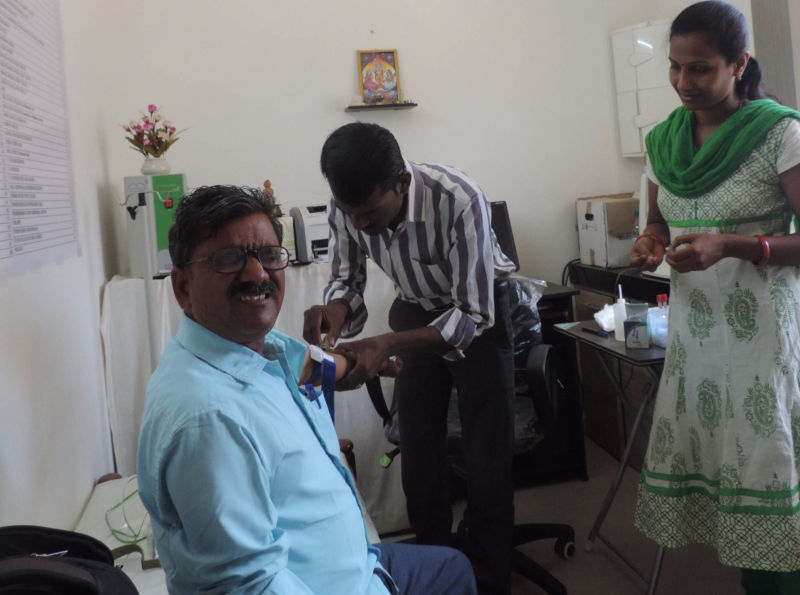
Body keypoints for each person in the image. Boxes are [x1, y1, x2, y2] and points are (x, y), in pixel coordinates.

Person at [136, 184, 477, 595]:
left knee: (452, 567)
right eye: (228, 260)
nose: (257, 274)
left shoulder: (259, 349)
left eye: (267, 255)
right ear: (183, 288)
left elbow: (319, 367)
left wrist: (366, 359)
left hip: (357, 562)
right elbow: (253, 585)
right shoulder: (209, 419)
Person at [629, 2, 800, 592]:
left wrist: (731, 245)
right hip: (697, 340)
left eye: (700, 68)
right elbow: (657, 220)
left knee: (766, 464)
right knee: (721, 465)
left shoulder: (779, 134)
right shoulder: (664, 143)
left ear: (738, 64)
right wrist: (651, 242)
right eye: (675, 67)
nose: (684, 82)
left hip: (763, 339)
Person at [304, 123, 517, 594]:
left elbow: (473, 313)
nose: (360, 225)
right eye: (350, 213)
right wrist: (334, 312)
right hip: (416, 308)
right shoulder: (348, 206)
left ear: (401, 182)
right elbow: (346, 280)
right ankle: (434, 569)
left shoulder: (458, 199)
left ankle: (489, 580)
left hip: (479, 316)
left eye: (369, 213)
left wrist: (387, 344)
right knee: (418, 453)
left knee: (487, 458)